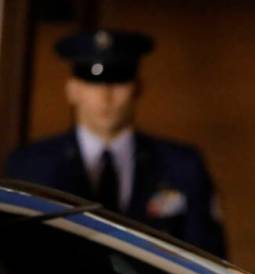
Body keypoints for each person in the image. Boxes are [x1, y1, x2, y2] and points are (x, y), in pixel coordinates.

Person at [5, 29, 226, 257]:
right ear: (72, 90)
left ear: (138, 88)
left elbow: (210, 258)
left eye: (117, 80)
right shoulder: (30, 168)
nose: (105, 96)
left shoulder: (182, 166)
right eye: (92, 82)